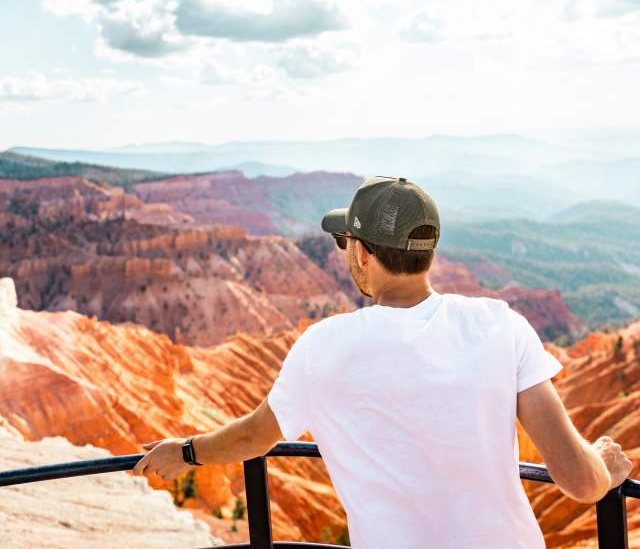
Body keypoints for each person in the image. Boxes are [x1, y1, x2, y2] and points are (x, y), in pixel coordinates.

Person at [133, 175, 633, 548]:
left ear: (365, 254)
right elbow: (581, 482)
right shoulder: (501, 324)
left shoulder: (324, 345)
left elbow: (253, 437)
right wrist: (606, 465)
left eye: (345, 242)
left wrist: (188, 452)